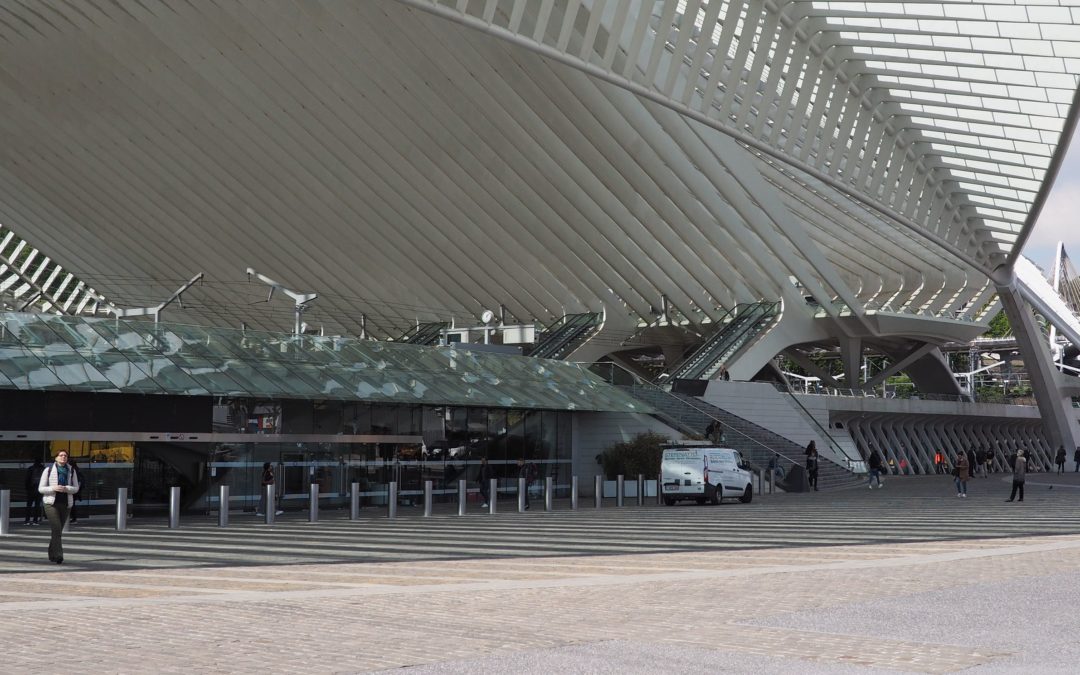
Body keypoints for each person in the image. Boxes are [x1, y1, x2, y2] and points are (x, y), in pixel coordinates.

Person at [38, 449, 80, 564]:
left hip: (66, 504)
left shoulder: (71, 470)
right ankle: (58, 555)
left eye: (65, 456)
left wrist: (67, 488)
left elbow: (76, 488)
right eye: (61, 455)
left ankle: (51, 553)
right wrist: (53, 488)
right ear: (56, 458)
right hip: (51, 503)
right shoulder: (48, 470)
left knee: (57, 531)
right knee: (56, 529)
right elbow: (41, 488)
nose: (63, 457)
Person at [23, 457, 45, 525]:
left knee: (29, 505)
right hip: (39, 489)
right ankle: (35, 520)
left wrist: (27, 488)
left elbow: (27, 479)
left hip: (31, 489)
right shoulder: (43, 469)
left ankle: (27, 520)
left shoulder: (31, 468)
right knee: (37, 505)